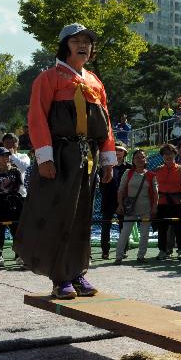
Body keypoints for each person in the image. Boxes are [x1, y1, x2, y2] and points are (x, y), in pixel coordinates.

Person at [14, 23, 116, 299]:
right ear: (64, 45)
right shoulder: (48, 78)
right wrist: (45, 157)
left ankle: (78, 272)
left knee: (82, 216)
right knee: (59, 215)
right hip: (61, 155)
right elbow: (36, 119)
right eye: (76, 41)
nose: (83, 45)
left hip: (89, 157)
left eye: (87, 41)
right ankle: (60, 278)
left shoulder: (95, 81)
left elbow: (106, 125)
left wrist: (108, 160)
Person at [115, 149, 157, 264]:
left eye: (142, 157)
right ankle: (118, 256)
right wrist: (120, 205)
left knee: (144, 233)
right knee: (125, 232)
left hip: (146, 208)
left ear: (146, 159)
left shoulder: (151, 175)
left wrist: (154, 207)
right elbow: (121, 190)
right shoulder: (127, 173)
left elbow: (155, 192)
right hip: (130, 209)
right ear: (133, 160)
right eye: (137, 157)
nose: (139, 159)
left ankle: (141, 256)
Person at [154, 143, 181, 260]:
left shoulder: (180, 169)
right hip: (162, 202)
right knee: (162, 228)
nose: (168, 156)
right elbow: (154, 188)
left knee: (179, 227)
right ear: (162, 156)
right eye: (165, 154)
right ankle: (162, 250)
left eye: (170, 154)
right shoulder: (158, 169)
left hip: (177, 202)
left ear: (175, 154)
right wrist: (154, 203)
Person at [98, 143, 131, 259]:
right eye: (115, 150)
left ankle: (124, 249)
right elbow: (101, 183)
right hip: (108, 200)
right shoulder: (105, 166)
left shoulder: (129, 167)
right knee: (106, 226)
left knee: (124, 226)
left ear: (125, 152)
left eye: (120, 150)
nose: (118, 152)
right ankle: (105, 251)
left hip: (124, 201)